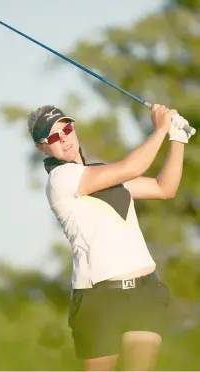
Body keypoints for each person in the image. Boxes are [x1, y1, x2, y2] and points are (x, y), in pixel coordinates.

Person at [27, 104, 192, 371]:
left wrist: (177, 138)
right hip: (98, 300)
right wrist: (161, 128)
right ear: (42, 148)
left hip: (144, 292)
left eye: (66, 129)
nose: (65, 138)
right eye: (54, 137)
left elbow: (164, 188)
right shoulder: (60, 179)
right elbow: (132, 167)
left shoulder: (103, 175)